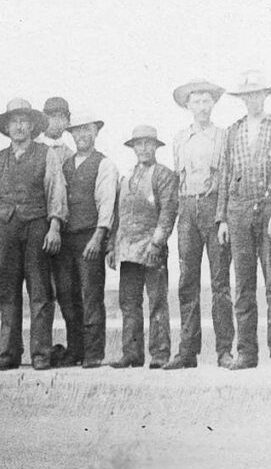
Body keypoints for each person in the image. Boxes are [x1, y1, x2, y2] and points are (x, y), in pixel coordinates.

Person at [0, 97, 63, 370]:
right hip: (6, 230)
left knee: (39, 291)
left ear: (33, 125)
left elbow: (55, 192)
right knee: (7, 291)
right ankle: (8, 353)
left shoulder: (45, 154)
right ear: (7, 127)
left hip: (37, 226)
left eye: (24, 121)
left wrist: (55, 227)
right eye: (14, 122)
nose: (19, 127)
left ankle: (40, 354)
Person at [218, 71, 271, 369]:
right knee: (243, 285)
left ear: (266, 96)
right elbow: (225, 174)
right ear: (242, 99)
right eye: (248, 96)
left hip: (268, 212)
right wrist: (222, 218)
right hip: (238, 212)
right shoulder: (233, 131)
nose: (253, 100)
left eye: (258, 95)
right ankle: (247, 353)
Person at [165, 77, 230, 370]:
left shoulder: (223, 136)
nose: (202, 107)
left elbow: (227, 179)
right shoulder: (180, 138)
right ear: (188, 106)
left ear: (213, 104)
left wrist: (222, 215)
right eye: (196, 102)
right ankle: (187, 351)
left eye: (207, 101)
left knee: (220, 281)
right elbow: (179, 180)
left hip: (214, 204)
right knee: (187, 281)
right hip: (187, 208)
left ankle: (225, 350)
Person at [110, 125, 179, 369]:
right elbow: (119, 216)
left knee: (157, 300)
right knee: (129, 302)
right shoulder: (126, 177)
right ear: (133, 148)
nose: (143, 149)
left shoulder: (164, 175)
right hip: (128, 250)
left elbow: (168, 211)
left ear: (155, 147)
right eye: (138, 144)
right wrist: (112, 247)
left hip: (152, 248)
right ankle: (132, 353)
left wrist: (157, 242)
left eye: (148, 144)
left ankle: (160, 353)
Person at [56, 115, 119, 369]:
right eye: (77, 132)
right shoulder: (65, 164)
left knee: (91, 295)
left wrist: (98, 237)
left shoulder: (104, 164)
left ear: (95, 133)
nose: (82, 136)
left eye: (87, 131)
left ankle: (93, 352)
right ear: (71, 135)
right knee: (67, 295)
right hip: (66, 238)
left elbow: (106, 204)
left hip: (89, 236)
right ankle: (75, 349)